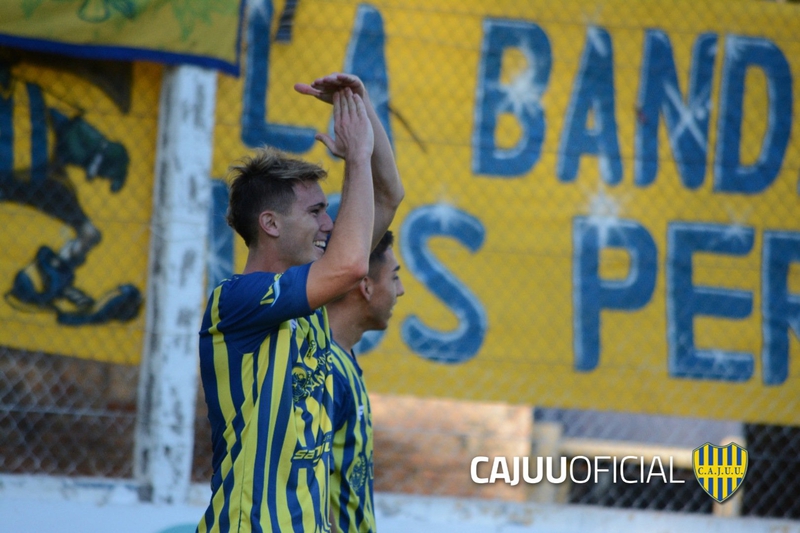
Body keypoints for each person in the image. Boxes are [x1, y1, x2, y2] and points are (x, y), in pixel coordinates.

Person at [197, 72, 403, 533]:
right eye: (315, 212)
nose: (328, 223)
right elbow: (351, 265)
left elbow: (388, 196)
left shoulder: (311, 301)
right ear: (270, 224)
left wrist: (359, 107)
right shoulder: (237, 300)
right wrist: (355, 158)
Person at [326, 230, 404, 533]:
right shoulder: (326, 369)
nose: (401, 290)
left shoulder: (342, 360)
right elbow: (304, 474)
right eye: (394, 277)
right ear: (366, 287)